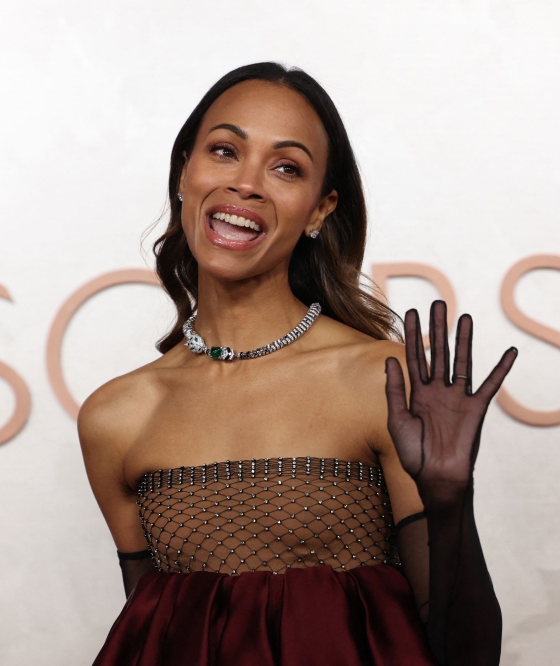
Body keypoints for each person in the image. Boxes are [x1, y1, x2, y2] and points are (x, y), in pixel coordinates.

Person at [79, 62, 517, 666]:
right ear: (185, 171)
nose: (247, 184)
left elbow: (467, 658)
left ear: (319, 209)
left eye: (286, 167)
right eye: (225, 150)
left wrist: (449, 502)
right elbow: (155, 645)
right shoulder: (115, 417)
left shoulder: (382, 382)